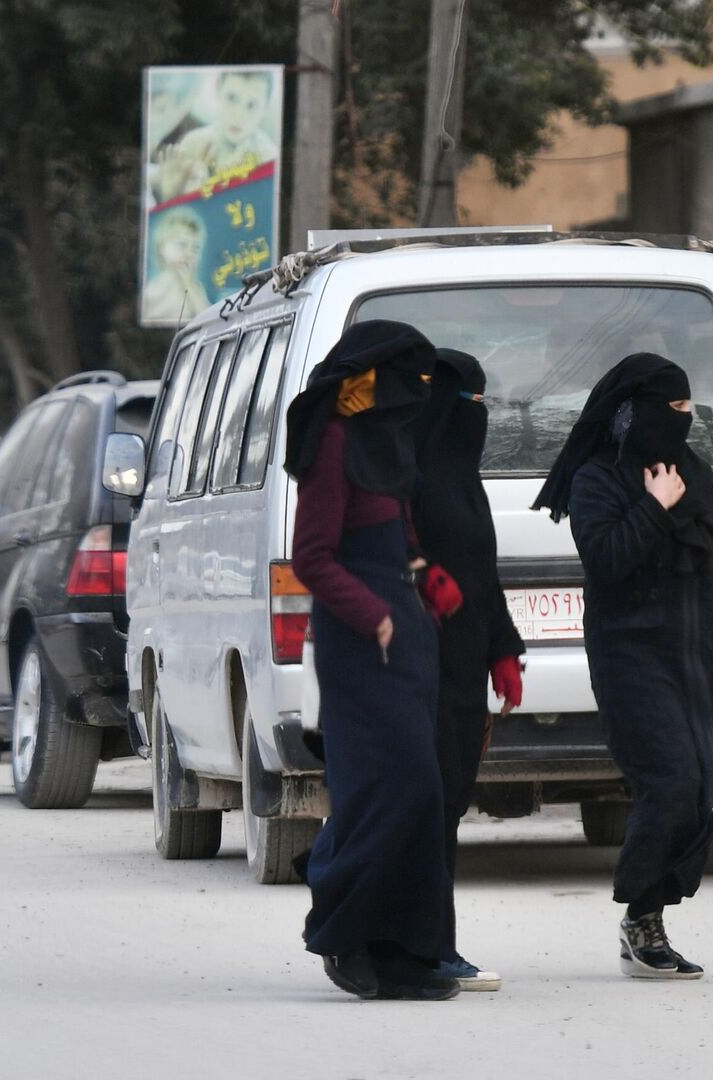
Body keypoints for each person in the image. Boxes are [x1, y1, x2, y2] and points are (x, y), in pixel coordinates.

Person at [530, 353, 713, 981]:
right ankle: (640, 919)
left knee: (702, 791)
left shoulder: (692, 472)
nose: (682, 421)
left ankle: (653, 917)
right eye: (670, 410)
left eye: (687, 410)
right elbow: (608, 558)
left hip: (694, 652)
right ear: (635, 414)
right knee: (670, 781)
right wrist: (653, 506)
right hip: (630, 655)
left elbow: (709, 552)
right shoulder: (598, 480)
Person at [285, 320, 459, 1001]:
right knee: (385, 789)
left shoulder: (384, 441)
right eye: (408, 381)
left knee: (423, 792)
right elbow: (312, 558)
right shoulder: (331, 443)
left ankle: (406, 947)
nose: (418, 397)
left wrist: (425, 579)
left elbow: (399, 532)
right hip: (360, 644)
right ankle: (342, 934)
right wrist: (375, 615)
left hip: (406, 636)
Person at [409, 349, 525, 993]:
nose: (477, 415)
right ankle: (426, 944)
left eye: (485, 402)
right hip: (420, 671)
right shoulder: (410, 482)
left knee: (448, 805)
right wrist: (425, 581)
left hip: (464, 674)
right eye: (469, 402)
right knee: (426, 806)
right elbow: (397, 560)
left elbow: (485, 575)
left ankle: (437, 942)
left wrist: (503, 650)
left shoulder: (463, 480)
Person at [152, 70, 278, 201]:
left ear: (265, 110)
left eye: (251, 105)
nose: (238, 115)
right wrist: (169, 194)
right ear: (218, 92)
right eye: (232, 98)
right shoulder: (193, 143)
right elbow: (170, 214)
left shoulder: (269, 159)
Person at [139, 208, 212, 324]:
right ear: (162, 248)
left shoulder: (196, 288)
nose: (189, 253)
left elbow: (210, 318)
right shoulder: (154, 289)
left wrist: (189, 285)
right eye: (182, 245)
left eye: (195, 248)